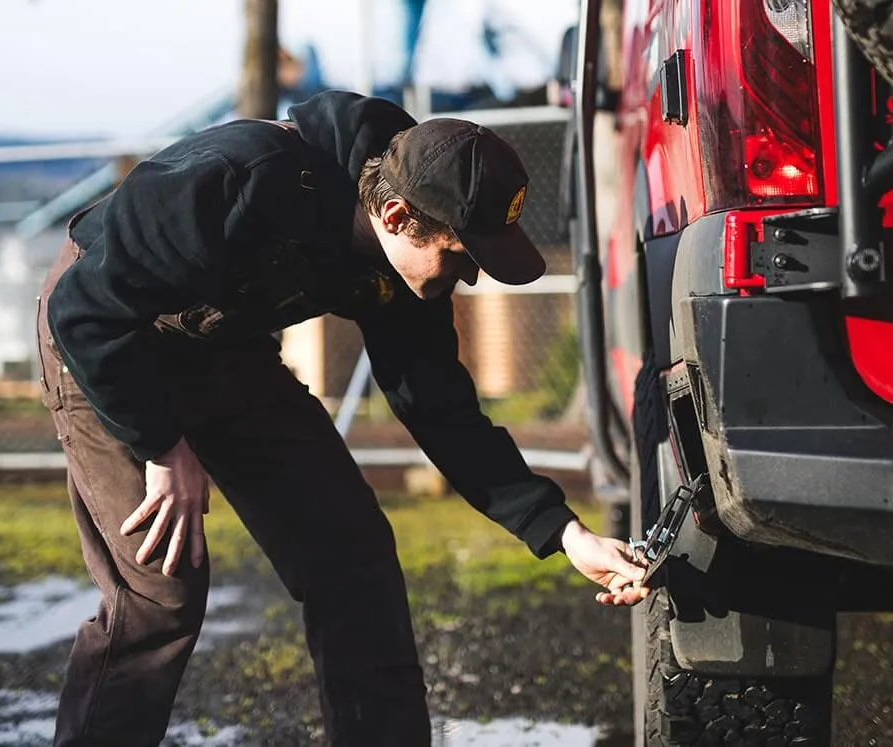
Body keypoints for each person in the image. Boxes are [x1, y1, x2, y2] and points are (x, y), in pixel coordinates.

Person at [36, 89, 649, 747]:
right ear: (394, 214)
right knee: (159, 592)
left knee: (350, 550)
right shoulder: (237, 176)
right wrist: (162, 444)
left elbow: (443, 412)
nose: (468, 278)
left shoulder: (411, 265)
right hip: (107, 337)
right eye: (460, 255)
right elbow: (84, 308)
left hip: (221, 349)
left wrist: (565, 533)